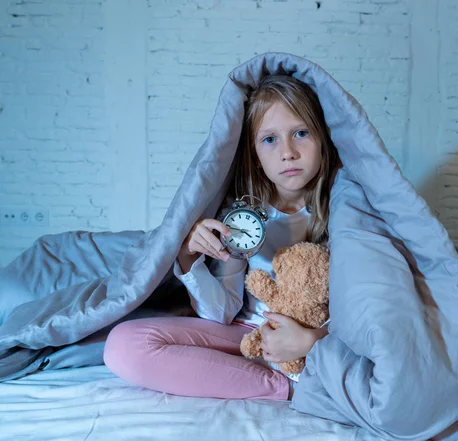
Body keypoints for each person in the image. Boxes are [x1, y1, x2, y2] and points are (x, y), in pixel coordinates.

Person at [103, 75, 341, 401]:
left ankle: (297, 377)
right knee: (123, 345)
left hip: (314, 344)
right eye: (270, 139)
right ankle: (279, 388)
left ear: (322, 140)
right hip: (245, 335)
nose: (288, 152)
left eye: (301, 133)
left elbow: (362, 306)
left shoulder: (344, 212)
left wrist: (312, 339)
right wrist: (189, 261)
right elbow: (222, 313)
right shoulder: (242, 216)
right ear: (256, 155)